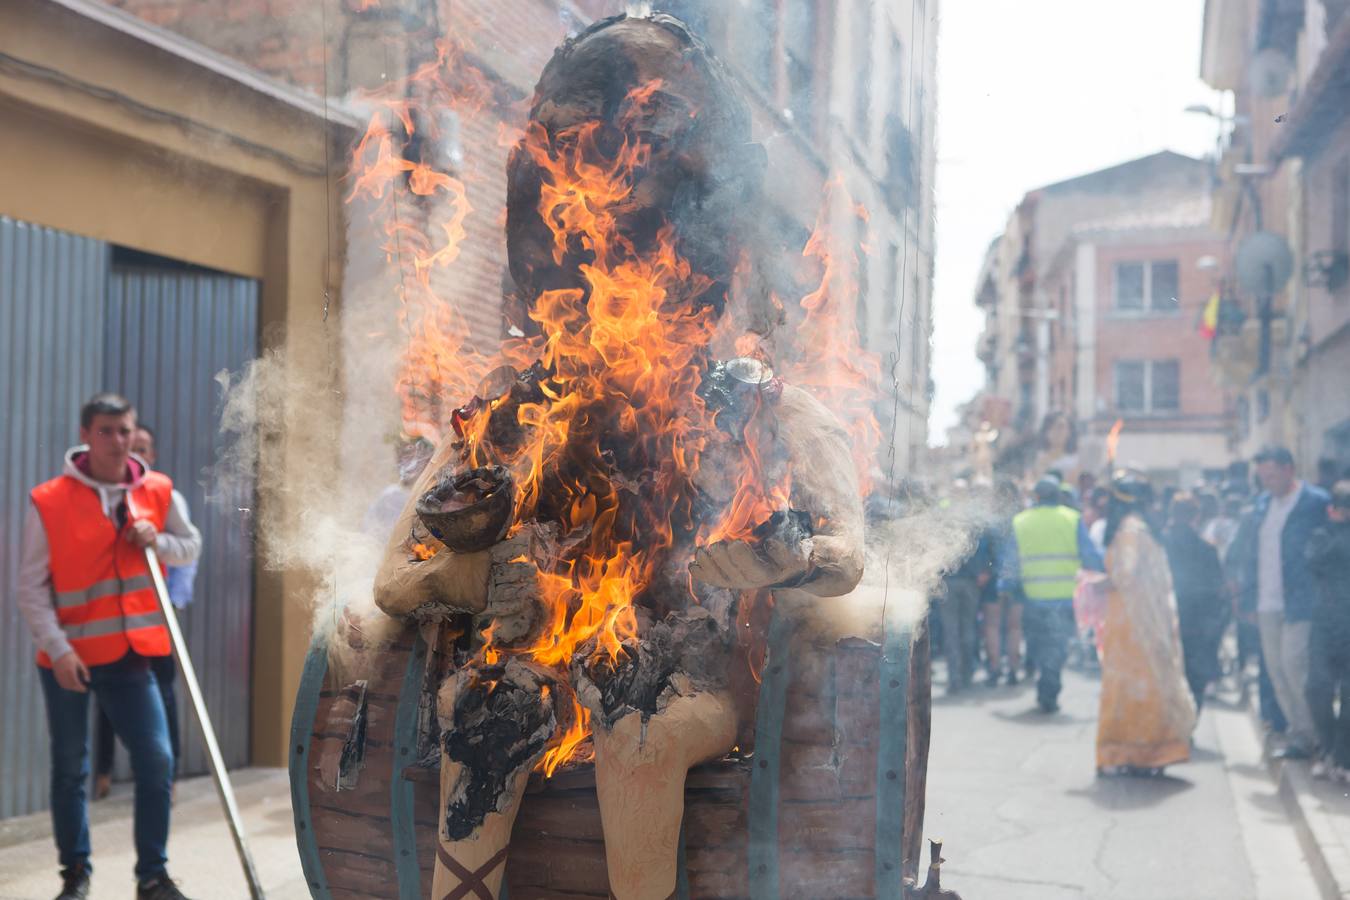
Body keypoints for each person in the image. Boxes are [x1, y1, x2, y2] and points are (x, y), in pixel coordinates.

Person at [15, 393, 202, 900]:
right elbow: (29, 586)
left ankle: (153, 876)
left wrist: (157, 540)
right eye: (106, 431)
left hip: (131, 655)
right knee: (70, 767)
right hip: (69, 660)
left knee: (157, 759)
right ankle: (75, 874)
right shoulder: (49, 500)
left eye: (125, 430)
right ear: (86, 435)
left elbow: (190, 546)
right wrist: (58, 649)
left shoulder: (158, 491)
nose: (118, 442)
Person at [93, 425, 197, 801]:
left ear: (151, 456)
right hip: (113, 622)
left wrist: (172, 606)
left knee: (162, 696)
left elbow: (186, 558)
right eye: (129, 446)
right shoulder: (105, 498)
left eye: (142, 448)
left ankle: (166, 778)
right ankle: (103, 772)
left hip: (156, 620)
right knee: (107, 698)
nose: (133, 453)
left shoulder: (166, 496)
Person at [1096, 473, 1196, 775]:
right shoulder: (1145, 530)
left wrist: (1096, 583)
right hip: (1147, 619)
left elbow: (1124, 575)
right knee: (1150, 682)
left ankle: (1128, 753)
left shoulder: (1128, 532)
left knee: (1127, 686)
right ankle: (1157, 751)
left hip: (1130, 621)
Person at [1239, 445, 1329, 760]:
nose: (1267, 482)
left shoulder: (1316, 503)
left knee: (1295, 665)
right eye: (1262, 476)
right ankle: (1301, 734)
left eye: (1272, 475)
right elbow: (1253, 553)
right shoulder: (1262, 505)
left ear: (1289, 469)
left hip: (1301, 600)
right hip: (1266, 601)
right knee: (1276, 670)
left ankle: (1319, 734)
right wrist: (1248, 597)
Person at [1000, 476, 1104, 712]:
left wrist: (1005, 587)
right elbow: (1089, 555)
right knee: (1058, 645)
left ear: (1036, 496)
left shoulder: (1021, 521)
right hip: (1065, 597)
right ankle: (1050, 686)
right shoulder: (1072, 518)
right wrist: (1101, 575)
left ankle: (1046, 685)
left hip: (1032, 597)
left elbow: (1010, 561)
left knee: (1037, 644)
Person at [1162, 493, 1229, 710]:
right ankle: (1189, 722)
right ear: (1196, 517)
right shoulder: (1207, 549)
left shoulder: (1159, 545)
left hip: (1165, 618)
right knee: (1194, 678)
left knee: (1166, 673)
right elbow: (1219, 588)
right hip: (1198, 623)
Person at [1306, 481, 1350, 779]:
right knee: (1317, 690)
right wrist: (1339, 530)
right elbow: (1314, 560)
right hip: (1324, 623)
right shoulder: (1320, 535)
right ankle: (1328, 746)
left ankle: (1343, 757)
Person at [941, 521, 993, 693]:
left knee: (952, 631)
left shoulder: (945, 524)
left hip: (950, 581)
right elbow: (988, 550)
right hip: (970, 581)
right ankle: (966, 673)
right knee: (968, 629)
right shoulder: (976, 523)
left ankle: (955, 676)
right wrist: (985, 571)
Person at [982, 479, 1025, 686]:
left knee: (992, 626)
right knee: (1014, 627)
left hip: (993, 578)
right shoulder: (1022, 519)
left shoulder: (991, 520)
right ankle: (1014, 669)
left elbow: (982, 549)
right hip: (1017, 579)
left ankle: (994, 668)